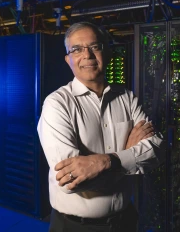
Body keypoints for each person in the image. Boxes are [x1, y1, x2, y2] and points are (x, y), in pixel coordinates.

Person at [37, 21, 165, 232]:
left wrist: (107, 161)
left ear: (106, 53)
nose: (87, 55)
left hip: (125, 221)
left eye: (94, 47)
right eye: (77, 49)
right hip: (76, 226)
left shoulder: (127, 98)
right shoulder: (57, 104)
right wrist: (128, 157)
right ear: (68, 60)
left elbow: (156, 151)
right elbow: (70, 181)